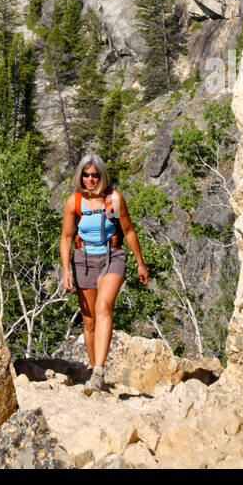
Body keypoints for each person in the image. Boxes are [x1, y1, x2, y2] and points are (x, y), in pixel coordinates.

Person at [60, 152, 149, 395]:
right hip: (84, 259)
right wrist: (66, 270)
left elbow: (128, 230)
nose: (90, 179)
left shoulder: (114, 199)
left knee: (103, 308)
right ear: (81, 176)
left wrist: (140, 263)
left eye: (95, 175)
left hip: (113, 257)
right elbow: (66, 237)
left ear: (102, 176)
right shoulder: (73, 202)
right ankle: (92, 372)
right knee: (88, 322)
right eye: (86, 175)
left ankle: (99, 370)